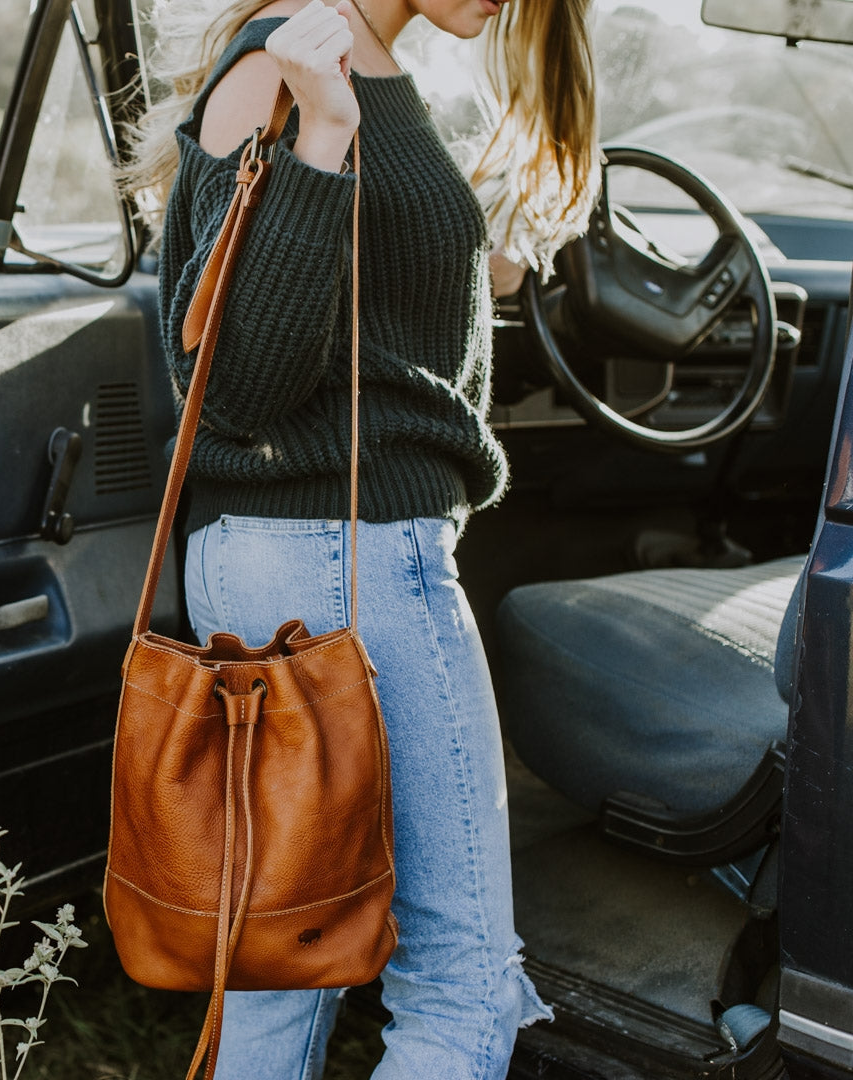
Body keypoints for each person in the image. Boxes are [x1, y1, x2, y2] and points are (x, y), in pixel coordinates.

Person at [122, 0, 599, 1075]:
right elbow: (236, 386)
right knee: (463, 991)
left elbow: (350, 304)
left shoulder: (362, 59)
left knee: (283, 966)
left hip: (303, 554)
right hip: (351, 556)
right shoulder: (292, 63)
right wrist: (327, 133)